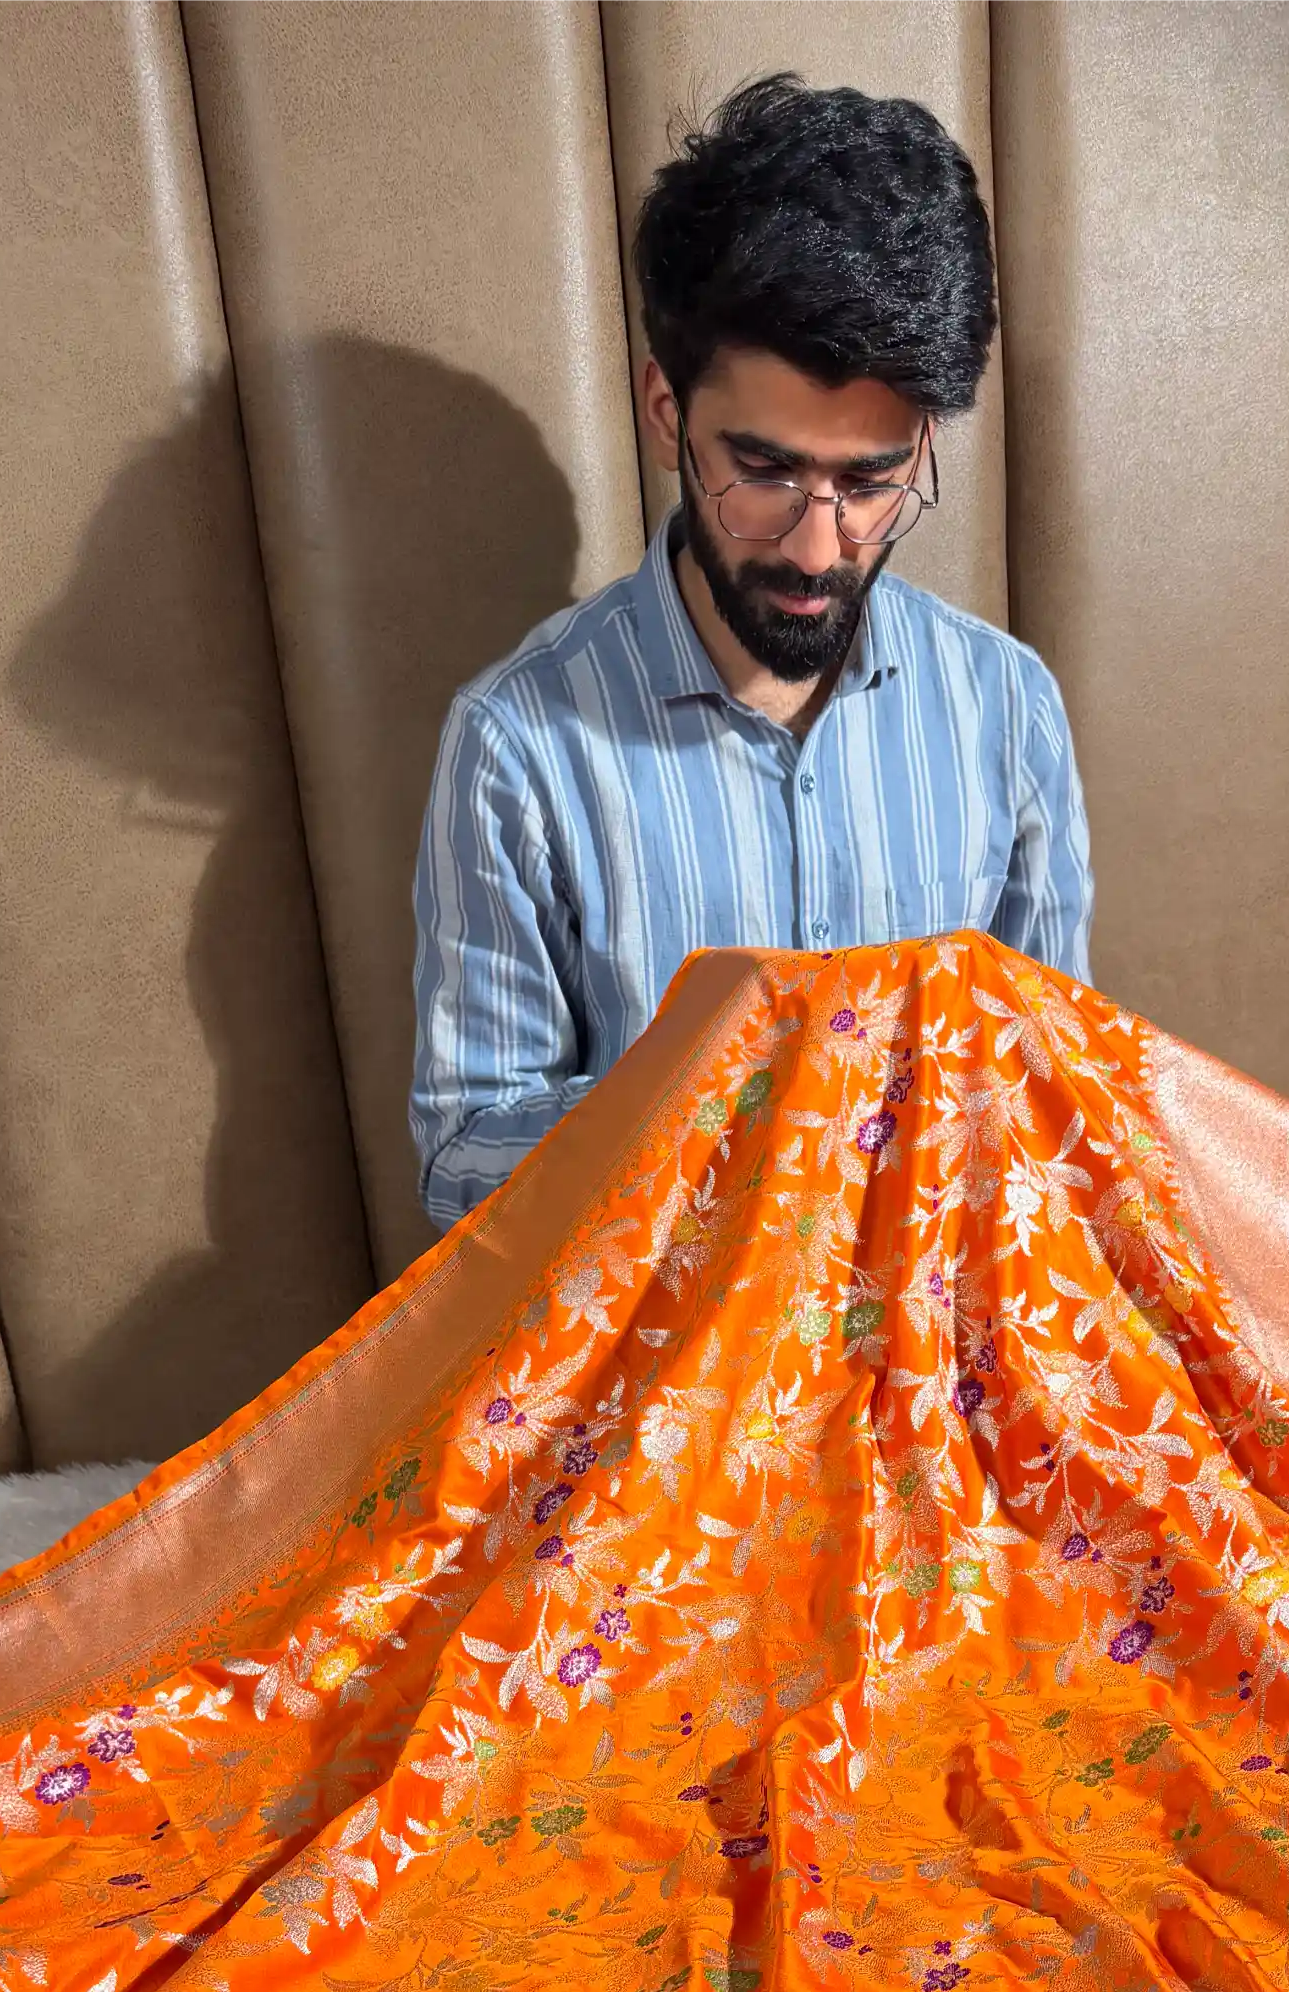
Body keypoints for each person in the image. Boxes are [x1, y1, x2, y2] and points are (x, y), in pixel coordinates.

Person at [409, 73, 1092, 1229]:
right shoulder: (515, 745)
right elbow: (461, 1164)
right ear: (667, 412)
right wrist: (741, 1094)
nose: (820, 545)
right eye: (766, 470)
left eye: (871, 481)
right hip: (675, 1364)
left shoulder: (1004, 705)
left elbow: (1051, 1091)